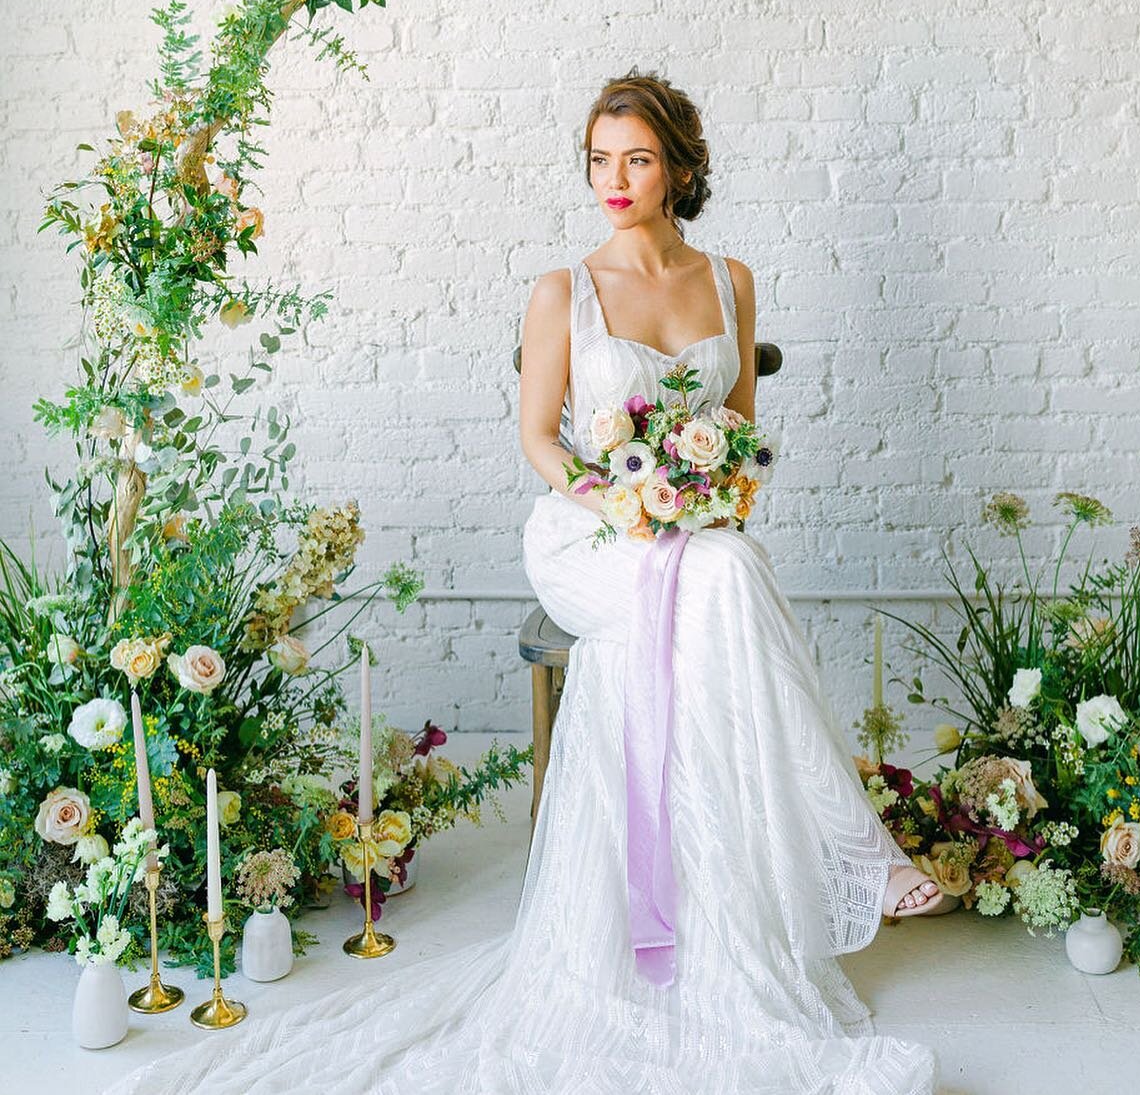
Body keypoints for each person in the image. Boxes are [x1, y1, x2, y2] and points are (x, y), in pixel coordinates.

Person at [99, 70, 942, 1095]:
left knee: (723, 569)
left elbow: (743, 435)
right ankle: (859, 849)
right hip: (584, 530)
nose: (614, 179)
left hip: (692, 529)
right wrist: (622, 501)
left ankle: (743, 907)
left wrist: (708, 487)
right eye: (599, 159)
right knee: (723, 581)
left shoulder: (731, 279)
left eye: (636, 158)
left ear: (679, 166)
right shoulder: (564, 290)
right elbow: (539, 441)